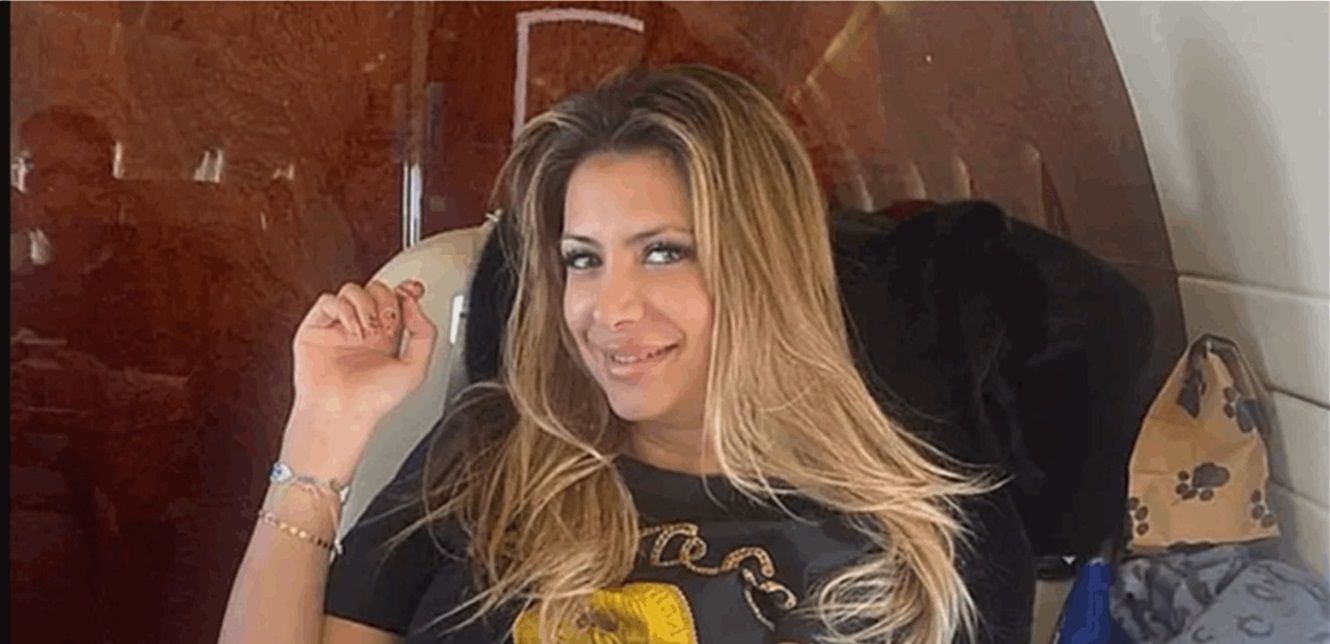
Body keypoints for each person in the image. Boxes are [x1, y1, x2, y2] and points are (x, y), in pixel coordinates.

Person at [219, 64, 1034, 644]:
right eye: (583, 259)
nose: (609, 309)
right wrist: (319, 438)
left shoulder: (909, 545)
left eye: (664, 252)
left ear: (764, 265)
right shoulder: (489, 455)